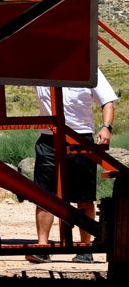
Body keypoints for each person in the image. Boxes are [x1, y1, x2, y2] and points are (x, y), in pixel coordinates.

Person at [28, 71, 117, 263]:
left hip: (81, 137)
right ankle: (42, 247)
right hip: (48, 137)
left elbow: (107, 101)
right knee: (44, 196)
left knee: (84, 197)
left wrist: (106, 127)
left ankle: (85, 250)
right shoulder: (41, 67)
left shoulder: (89, 68)